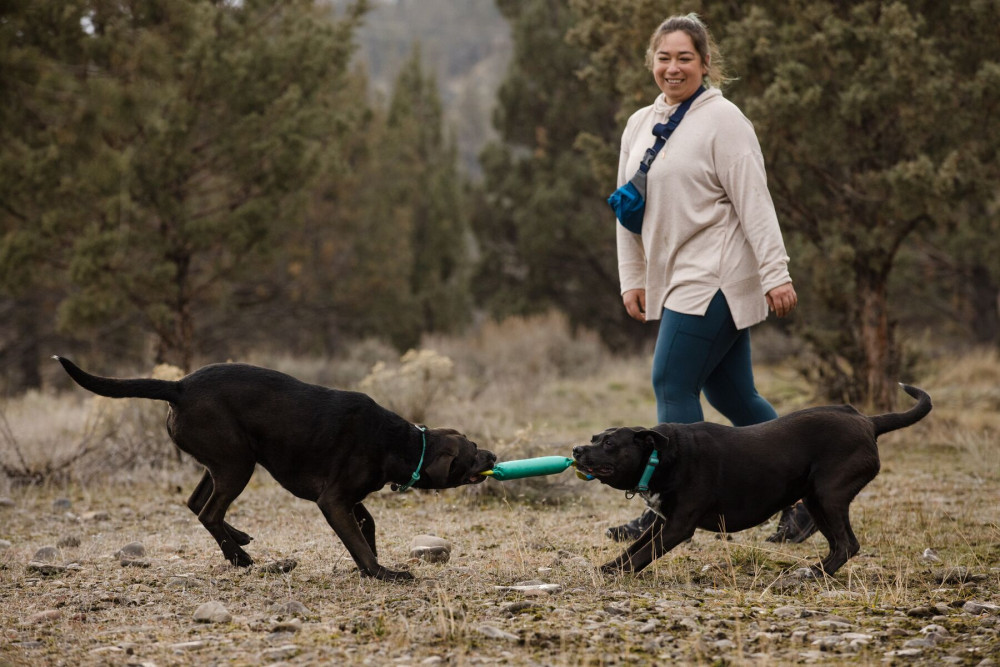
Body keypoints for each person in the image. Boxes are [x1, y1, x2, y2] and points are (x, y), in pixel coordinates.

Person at [606, 13, 814, 544]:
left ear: (704, 63)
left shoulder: (725, 121)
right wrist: (633, 276)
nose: (673, 68)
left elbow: (755, 202)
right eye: (664, 57)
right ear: (652, 61)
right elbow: (628, 207)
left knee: (671, 382)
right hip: (673, 274)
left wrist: (775, 272)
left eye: (685, 58)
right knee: (737, 398)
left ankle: (670, 509)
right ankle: (805, 497)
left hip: (716, 274)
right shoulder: (639, 124)